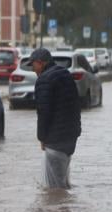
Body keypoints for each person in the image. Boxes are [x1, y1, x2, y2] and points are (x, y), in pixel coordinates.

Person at [26, 48, 81, 189]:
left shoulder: (44, 80)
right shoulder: (66, 74)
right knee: (63, 181)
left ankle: (58, 210)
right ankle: (66, 207)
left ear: (41, 63)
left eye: (33, 65)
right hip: (71, 136)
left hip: (55, 139)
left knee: (54, 189)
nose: (33, 69)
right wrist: (77, 131)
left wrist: (42, 138)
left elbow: (44, 112)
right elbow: (76, 104)